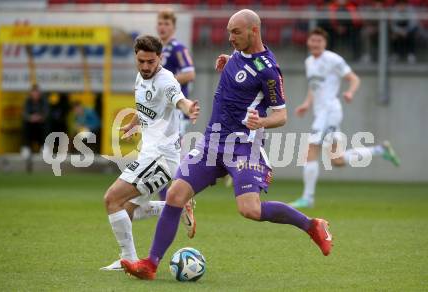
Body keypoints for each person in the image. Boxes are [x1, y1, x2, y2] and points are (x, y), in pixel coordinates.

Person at [121, 10, 333, 280]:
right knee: (174, 195)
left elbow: (281, 115)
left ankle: (313, 226)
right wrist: (229, 59)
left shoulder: (268, 70)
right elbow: (240, 65)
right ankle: (149, 264)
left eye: (235, 32)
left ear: (253, 32)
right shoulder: (237, 54)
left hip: (243, 146)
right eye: (229, 31)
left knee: (250, 209)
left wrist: (261, 122)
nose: (229, 37)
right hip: (212, 142)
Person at [101, 35, 200, 271]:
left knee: (112, 199)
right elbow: (145, 108)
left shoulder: (167, 80)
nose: (146, 67)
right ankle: (178, 205)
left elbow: (179, 100)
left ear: (160, 58)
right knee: (127, 208)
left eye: (151, 62)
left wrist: (189, 108)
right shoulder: (141, 77)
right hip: (151, 154)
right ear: (136, 57)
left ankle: (130, 259)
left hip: (161, 159)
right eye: (141, 61)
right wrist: (134, 123)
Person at [289, 28, 400, 209]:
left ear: (325, 43)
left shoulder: (333, 59)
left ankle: (307, 198)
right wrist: (306, 104)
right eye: (313, 41)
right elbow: (314, 87)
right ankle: (380, 150)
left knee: (310, 150)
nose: (315, 44)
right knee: (337, 160)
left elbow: (354, 78)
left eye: (319, 41)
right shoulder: (309, 61)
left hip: (330, 111)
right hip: (320, 112)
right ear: (308, 42)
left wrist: (350, 92)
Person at [156, 8, 196, 200]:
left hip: (177, 111)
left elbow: (189, 73)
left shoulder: (178, 49)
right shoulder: (158, 49)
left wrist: (166, 83)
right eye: (160, 23)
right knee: (161, 155)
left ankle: (176, 199)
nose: (162, 27)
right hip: (162, 111)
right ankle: (171, 199)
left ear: (173, 27)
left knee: (167, 155)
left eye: (167, 24)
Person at [21, 84, 49, 158]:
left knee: (47, 124)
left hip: (41, 124)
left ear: (39, 93)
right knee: (25, 124)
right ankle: (26, 147)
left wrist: (39, 117)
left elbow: (46, 113)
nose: (35, 94)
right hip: (31, 124)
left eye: (37, 92)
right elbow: (24, 113)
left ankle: (44, 147)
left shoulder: (44, 101)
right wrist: (31, 117)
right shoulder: (27, 101)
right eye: (33, 92)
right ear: (31, 93)